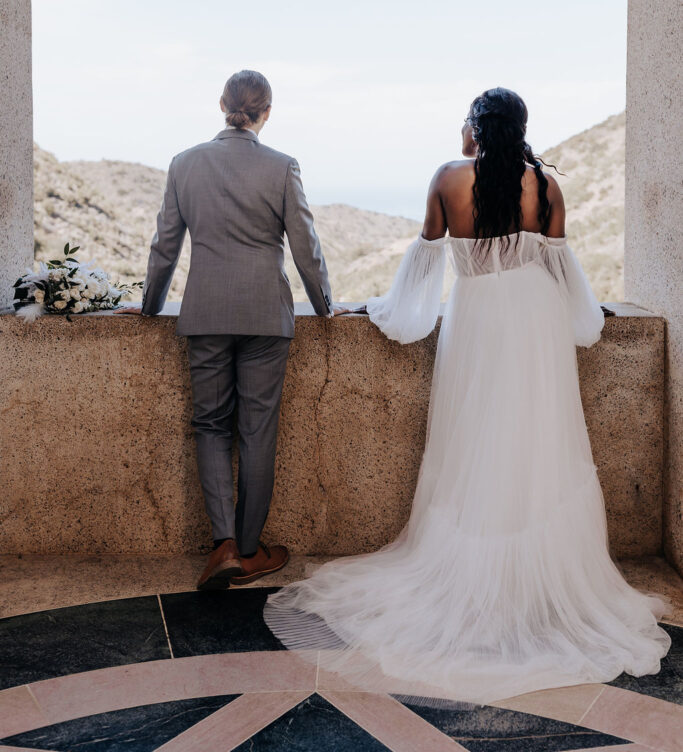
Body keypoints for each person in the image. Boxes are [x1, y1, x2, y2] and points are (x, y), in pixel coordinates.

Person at [263, 86, 671, 707]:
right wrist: (588, 318)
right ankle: (537, 586)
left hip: (478, 322)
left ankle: (483, 578)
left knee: (476, 443)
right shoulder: (546, 187)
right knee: (536, 440)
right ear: (521, 128)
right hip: (535, 328)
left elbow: (424, 266)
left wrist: (387, 310)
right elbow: (565, 275)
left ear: (475, 128)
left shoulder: (450, 178)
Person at [117, 70, 343, 590]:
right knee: (257, 432)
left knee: (211, 425)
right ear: (267, 111)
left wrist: (150, 307)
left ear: (222, 105)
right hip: (266, 315)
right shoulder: (282, 166)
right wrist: (326, 307)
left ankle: (221, 544)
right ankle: (248, 549)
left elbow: (165, 247)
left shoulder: (184, 164)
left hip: (207, 315)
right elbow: (306, 248)